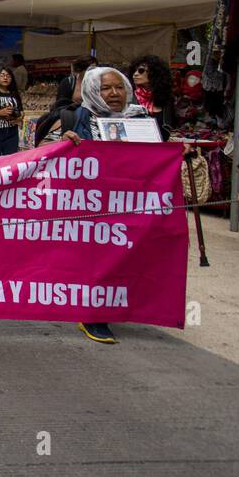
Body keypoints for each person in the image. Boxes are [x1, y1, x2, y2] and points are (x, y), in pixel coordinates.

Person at [61, 66, 156, 345]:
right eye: (106, 88)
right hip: (96, 204)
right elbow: (65, 157)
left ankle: (122, 306)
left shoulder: (140, 116)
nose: (114, 93)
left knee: (127, 256)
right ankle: (93, 315)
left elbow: (155, 153)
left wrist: (176, 150)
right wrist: (67, 143)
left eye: (119, 87)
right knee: (98, 259)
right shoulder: (82, 117)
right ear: (93, 90)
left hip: (134, 201)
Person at [128, 55, 175, 140]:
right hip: (135, 147)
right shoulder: (128, 97)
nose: (135, 74)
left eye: (141, 71)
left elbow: (168, 129)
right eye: (134, 71)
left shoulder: (167, 100)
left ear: (154, 73)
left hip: (158, 148)